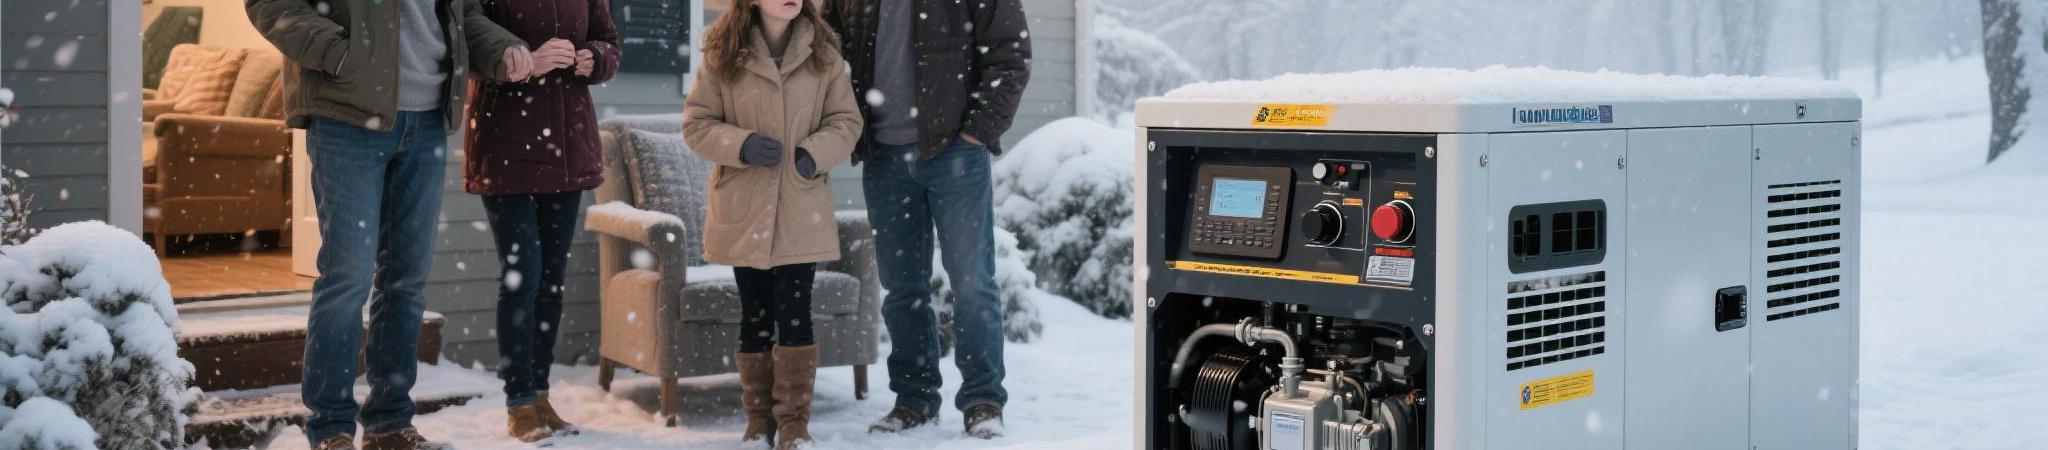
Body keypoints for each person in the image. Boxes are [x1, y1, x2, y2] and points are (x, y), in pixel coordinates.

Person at [246, 0, 530, 448]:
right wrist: (342, 54)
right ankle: (331, 427)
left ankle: (389, 422)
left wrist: (501, 49)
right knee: (347, 277)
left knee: (406, 281)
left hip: (428, 119)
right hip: (347, 114)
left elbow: (464, 13)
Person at [823, 0, 1031, 439]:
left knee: (973, 282)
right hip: (883, 154)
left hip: (954, 150)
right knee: (902, 289)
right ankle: (914, 399)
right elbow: (825, 44)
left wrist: (977, 131)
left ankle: (983, 400)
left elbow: (1010, 53)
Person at [682, 0, 861, 448]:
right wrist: (740, 145)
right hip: (745, 209)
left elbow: (847, 121)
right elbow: (697, 124)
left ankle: (794, 423)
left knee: (796, 313)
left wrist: (812, 154)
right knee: (755, 314)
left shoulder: (825, 54)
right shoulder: (724, 52)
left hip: (800, 207)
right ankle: (759, 421)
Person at [462, 0, 621, 443]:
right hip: (506, 144)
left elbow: (609, 41)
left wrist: (594, 59)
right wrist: (526, 61)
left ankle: (540, 393)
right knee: (523, 276)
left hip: (569, 148)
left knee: (552, 279)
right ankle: (519, 400)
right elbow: (469, 42)